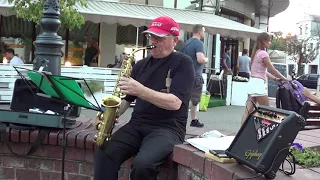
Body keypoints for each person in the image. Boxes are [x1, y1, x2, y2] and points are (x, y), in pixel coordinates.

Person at [94, 16, 195, 180]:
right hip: (137, 125)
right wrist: (108, 116)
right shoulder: (140, 65)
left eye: (159, 37)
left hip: (168, 129)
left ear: (174, 40)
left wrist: (141, 90)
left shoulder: (183, 63)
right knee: (104, 152)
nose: (153, 41)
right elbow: (126, 101)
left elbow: (175, 103)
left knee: (143, 165)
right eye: (151, 36)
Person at [241, 32, 288, 124]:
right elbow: (271, 69)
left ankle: (240, 132)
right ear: (264, 41)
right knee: (268, 111)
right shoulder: (263, 54)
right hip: (258, 84)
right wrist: (284, 78)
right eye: (269, 41)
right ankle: (267, 131)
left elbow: (264, 71)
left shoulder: (256, 53)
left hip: (252, 83)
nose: (270, 43)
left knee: (247, 111)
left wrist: (274, 78)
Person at [179, 24, 207, 128]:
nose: (204, 33)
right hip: (196, 75)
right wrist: (206, 59)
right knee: (194, 99)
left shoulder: (187, 43)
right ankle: (180, 115)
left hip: (185, 74)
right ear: (200, 32)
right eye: (203, 31)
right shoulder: (199, 43)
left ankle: (194, 119)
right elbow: (200, 59)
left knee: (186, 97)